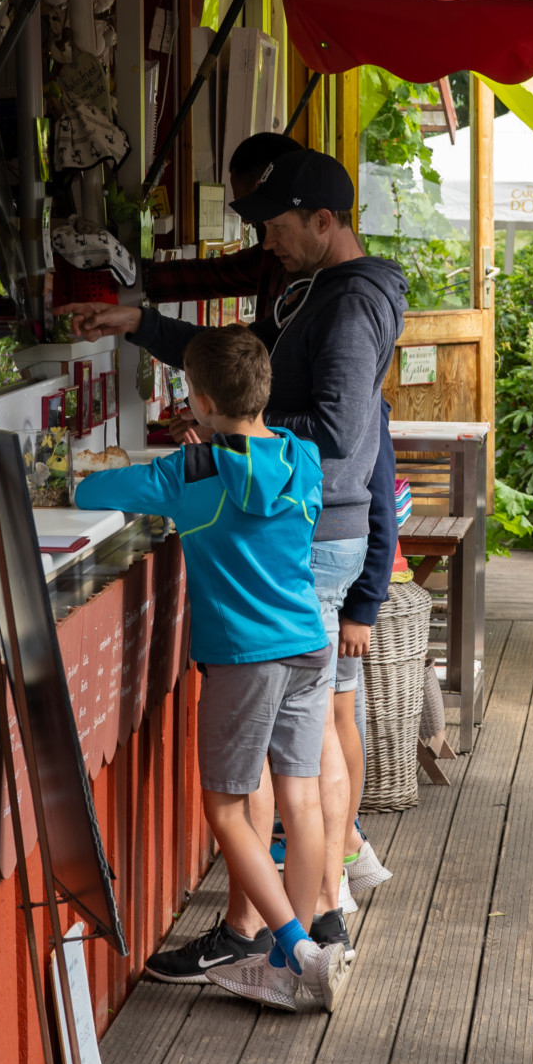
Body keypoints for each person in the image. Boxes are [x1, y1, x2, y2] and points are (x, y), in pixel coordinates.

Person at [72, 151, 406, 964]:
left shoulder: (351, 306)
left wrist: (229, 441)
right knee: (302, 753)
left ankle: (283, 928)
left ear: (325, 222)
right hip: (308, 562)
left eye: (278, 228)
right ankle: (309, 920)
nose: (269, 244)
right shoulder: (313, 294)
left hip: (314, 548)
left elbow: (343, 440)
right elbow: (240, 365)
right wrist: (143, 325)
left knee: (292, 758)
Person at [73, 325, 351, 1013]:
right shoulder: (304, 456)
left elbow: (90, 491)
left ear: (196, 399)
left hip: (245, 655)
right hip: (307, 641)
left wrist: (192, 461)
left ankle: (294, 951)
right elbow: (267, 493)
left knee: (225, 807)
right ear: (264, 391)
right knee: (302, 796)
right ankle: (310, 937)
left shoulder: (189, 473)